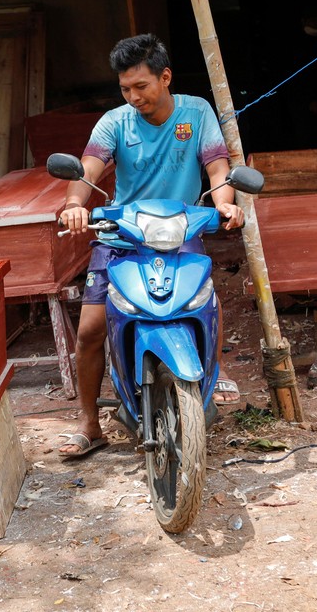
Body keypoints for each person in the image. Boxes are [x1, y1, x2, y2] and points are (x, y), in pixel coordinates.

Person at [56, 33, 244, 460]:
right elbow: (88, 169)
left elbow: (217, 167)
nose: (134, 96)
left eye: (141, 86)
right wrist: (73, 205)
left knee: (205, 305)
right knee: (89, 331)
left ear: (165, 77)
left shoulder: (196, 113)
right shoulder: (114, 122)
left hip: (180, 233)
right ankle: (89, 423)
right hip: (121, 236)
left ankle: (208, 382)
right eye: (125, 89)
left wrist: (225, 205)